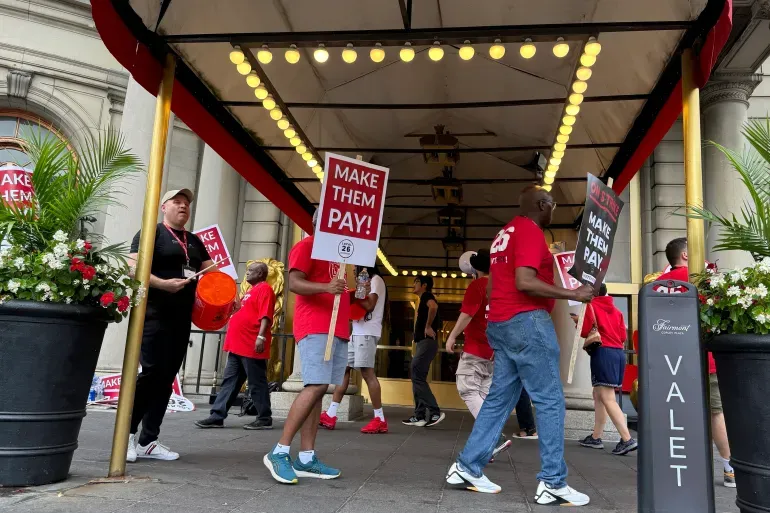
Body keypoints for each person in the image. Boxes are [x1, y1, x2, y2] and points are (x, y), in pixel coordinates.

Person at [445, 185, 594, 506]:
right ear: (542, 204)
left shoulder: (505, 234)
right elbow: (524, 281)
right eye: (552, 204)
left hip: (501, 323)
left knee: (499, 399)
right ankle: (553, 481)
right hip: (527, 323)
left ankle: (467, 466)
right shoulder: (529, 231)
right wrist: (574, 294)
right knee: (550, 400)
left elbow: (492, 289)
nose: (554, 209)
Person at [263, 211, 360, 484]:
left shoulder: (342, 257)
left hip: (337, 328)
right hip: (315, 325)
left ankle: (306, 457)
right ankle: (279, 451)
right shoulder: (307, 245)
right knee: (315, 385)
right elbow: (293, 282)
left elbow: (347, 294)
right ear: (318, 223)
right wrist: (327, 287)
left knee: (320, 390)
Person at [126, 189, 216, 462]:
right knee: (151, 373)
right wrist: (163, 284)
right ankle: (126, 435)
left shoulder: (196, 241)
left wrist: (226, 297)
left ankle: (148, 440)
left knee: (166, 379)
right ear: (164, 207)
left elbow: (214, 276)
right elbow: (132, 268)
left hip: (181, 318)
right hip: (153, 314)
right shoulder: (151, 233)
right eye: (177, 202)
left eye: (186, 203)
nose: (183, 207)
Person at [657, 237, 735, 488]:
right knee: (716, 413)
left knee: (676, 412)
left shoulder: (659, 283)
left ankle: (677, 464)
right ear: (686, 256)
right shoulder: (705, 278)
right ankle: (729, 467)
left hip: (673, 360)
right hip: (708, 358)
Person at [445, 249, 533, 463]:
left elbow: (467, 315)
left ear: (476, 268)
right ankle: (485, 446)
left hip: (475, 350)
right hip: (494, 352)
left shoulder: (477, 286)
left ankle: (493, 439)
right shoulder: (503, 288)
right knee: (484, 398)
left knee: (467, 389)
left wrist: (451, 336)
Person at [194, 261, 276, 430]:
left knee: (256, 382)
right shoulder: (250, 291)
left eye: (251, 271)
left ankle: (264, 417)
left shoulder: (265, 289)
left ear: (260, 274)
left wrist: (261, 336)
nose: (247, 273)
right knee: (229, 382)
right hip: (237, 344)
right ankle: (217, 416)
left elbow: (266, 315)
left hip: (251, 342)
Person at [320, 265, 388, 434]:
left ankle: (380, 419)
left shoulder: (376, 280)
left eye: (356, 269)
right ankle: (331, 413)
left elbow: (370, 305)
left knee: (367, 373)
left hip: (367, 333)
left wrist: (357, 293)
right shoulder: (366, 281)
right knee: (344, 370)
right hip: (357, 332)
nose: (354, 272)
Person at [575, 283, 638, 455]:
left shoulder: (591, 306)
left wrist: (578, 322)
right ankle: (596, 436)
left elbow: (585, 331)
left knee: (607, 397)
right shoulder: (617, 311)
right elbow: (623, 336)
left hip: (603, 352)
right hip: (618, 353)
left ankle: (627, 439)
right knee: (599, 395)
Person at [403, 275, 444, 428]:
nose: (414, 284)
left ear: (424, 285)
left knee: (416, 374)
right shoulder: (422, 300)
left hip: (427, 343)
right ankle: (419, 415)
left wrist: (427, 326)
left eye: (417, 282)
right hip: (423, 343)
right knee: (417, 376)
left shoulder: (427, 296)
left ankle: (434, 412)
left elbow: (433, 307)